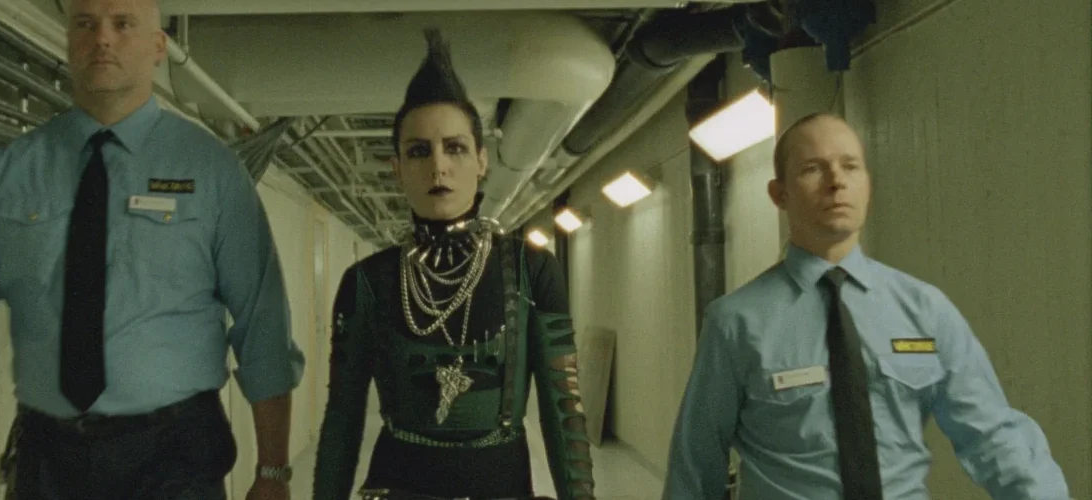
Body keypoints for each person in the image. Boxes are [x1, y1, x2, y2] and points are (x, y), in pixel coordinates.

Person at [0, 0, 304, 498]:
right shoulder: (17, 170)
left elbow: (263, 326)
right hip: (48, 457)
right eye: (85, 24)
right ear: (69, 41)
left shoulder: (211, 171)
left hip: (174, 459)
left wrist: (272, 470)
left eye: (122, 24)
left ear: (158, 47)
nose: (102, 38)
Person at [662, 112, 1070, 500]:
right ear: (779, 194)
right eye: (812, 169)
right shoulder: (735, 322)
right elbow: (697, 464)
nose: (836, 181)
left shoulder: (924, 310)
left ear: (868, 185)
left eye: (850, 166)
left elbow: (992, 434)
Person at [312, 30, 595, 500]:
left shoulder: (532, 270)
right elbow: (342, 416)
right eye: (419, 150)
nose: (438, 167)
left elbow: (564, 411)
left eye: (455, 147)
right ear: (397, 169)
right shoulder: (367, 281)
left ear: (482, 161)